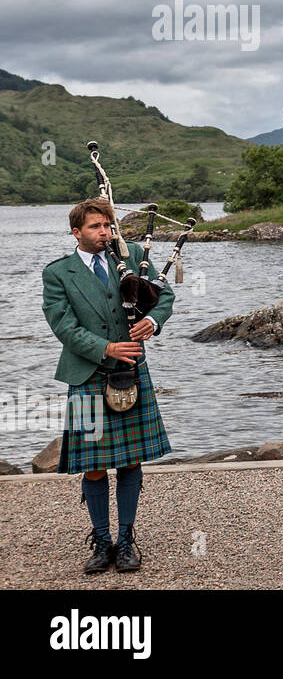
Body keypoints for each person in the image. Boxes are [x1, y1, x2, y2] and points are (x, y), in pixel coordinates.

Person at [41, 198, 175, 575]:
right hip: (87, 374)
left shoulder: (130, 255)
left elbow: (164, 296)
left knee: (131, 460)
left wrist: (155, 321)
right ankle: (102, 542)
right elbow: (63, 327)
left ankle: (127, 540)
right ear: (77, 233)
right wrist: (106, 347)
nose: (105, 233)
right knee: (95, 466)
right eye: (96, 227)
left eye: (108, 225)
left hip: (131, 372)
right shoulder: (58, 274)